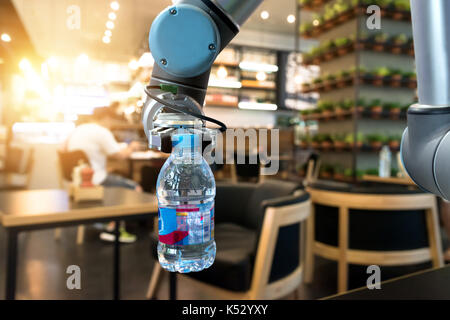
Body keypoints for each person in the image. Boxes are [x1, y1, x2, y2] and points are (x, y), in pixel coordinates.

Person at [65, 107, 141, 243]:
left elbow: (64, 150)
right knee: (135, 187)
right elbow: (120, 155)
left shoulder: (78, 130)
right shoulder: (101, 131)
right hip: (95, 181)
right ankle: (113, 229)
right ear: (107, 118)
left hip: (77, 180)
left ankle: (106, 223)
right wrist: (132, 147)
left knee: (114, 175)